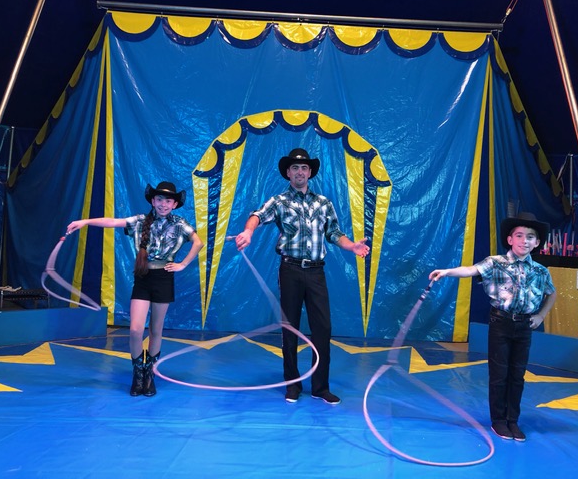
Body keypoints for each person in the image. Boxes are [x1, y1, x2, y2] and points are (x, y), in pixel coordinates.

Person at [235, 148, 370, 405]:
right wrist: (248, 232)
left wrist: (352, 246)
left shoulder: (323, 203)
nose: (300, 172)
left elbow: (334, 233)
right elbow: (257, 215)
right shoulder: (279, 201)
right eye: (295, 168)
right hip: (290, 270)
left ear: (310, 173)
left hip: (316, 271)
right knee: (290, 327)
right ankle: (292, 384)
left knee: (323, 328)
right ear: (288, 172)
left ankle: (320, 387)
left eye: (304, 168)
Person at [67, 181, 203, 397]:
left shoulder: (179, 224)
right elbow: (113, 221)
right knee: (135, 330)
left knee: (156, 330)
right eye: (159, 199)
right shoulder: (140, 221)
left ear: (175, 204)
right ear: (152, 201)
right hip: (143, 277)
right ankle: (138, 372)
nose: (163, 204)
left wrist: (183, 264)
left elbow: (198, 242)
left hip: (164, 278)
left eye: (168, 201)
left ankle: (150, 374)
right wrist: (85, 221)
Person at [429, 212, 556, 441]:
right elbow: (470, 270)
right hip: (501, 323)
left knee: (517, 375)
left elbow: (551, 293)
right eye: (519, 235)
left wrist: (540, 315)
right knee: (499, 374)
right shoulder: (495, 263)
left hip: (524, 326)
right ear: (510, 239)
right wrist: (447, 272)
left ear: (537, 242)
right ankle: (499, 421)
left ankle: (513, 420)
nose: (524, 241)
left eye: (530, 237)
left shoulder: (540, 271)